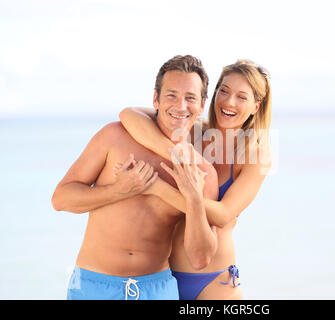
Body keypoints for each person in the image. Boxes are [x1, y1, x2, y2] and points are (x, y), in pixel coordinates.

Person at [51, 55, 219, 300]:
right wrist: (118, 190)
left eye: (190, 98)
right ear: (156, 99)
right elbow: (60, 199)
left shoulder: (202, 173)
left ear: (202, 105)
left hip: (157, 289)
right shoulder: (114, 136)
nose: (181, 106)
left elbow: (200, 258)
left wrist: (193, 198)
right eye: (171, 95)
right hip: (94, 286)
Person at [118, 59, 272, 300]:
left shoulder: (256, 155)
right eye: (224, 91)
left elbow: (222, 214)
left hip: (214, 282)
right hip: (162, 278)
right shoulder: (192, 131)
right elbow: (129, 115)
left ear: (255, 107)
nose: (229, 102)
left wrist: (156, 187)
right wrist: (172, 151)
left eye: (242, 97)